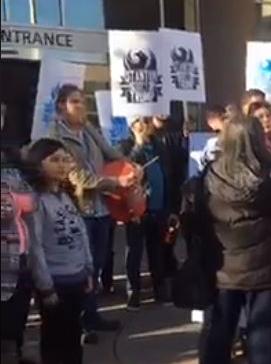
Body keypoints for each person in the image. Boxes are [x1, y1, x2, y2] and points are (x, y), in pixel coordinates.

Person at [199, 116, 271, 364]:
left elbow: (199, 213)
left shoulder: (211, 173)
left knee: (220, 331)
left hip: (224, 264)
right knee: (261, 333)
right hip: (262, 266)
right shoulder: (268, 176)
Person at [49, 84, 126, 341]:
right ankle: (81, 321)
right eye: (75, 102)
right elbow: (77, 177)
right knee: (80, 266)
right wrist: (115, 183)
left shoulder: (88, 129)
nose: (81, 106)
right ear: (61, 105)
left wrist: (130, 166)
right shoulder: (56, 137)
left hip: (102, 208)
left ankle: (93, 315)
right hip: (79, 208)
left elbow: (109, 152)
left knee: (97, 263)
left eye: (83, 101)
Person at [27, 138, 93, 364]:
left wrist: (88, 268)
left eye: (66, 159)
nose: (62, 165)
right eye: (54, 160)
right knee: (56, 340)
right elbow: (35, 247)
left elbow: (81, 233)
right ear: (37, 163)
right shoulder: (36, 201)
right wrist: (46, 287)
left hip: (77, 277)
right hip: (55, 282)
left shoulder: (67, 196)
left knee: (74, 336)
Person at [119, 117, 179, 310]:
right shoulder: (124, 146)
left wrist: (171, 207)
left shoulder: (159, 146)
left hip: (159, 206)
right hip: (138, 209)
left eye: (146, 121)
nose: (145, 125)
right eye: (139, 121)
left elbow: (169, 175)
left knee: (158, 251)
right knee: (134, 252)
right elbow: (125, 171)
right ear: (132, 125)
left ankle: (160, 289)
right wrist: (137, 144)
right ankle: (133, 292)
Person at [1, 145, 37, 364]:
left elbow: (31, 201)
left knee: (18, 313)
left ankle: (17, 350)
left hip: (20, 252)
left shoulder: (11, 158)